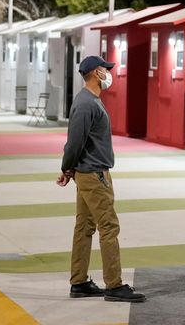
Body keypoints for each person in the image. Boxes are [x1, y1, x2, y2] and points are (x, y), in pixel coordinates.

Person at [57, 55, 146, 303]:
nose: (109, 74)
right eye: (106, 69)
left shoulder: (88, 101)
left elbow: (77, 143)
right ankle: (114, 285)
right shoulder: (88, 104)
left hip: (86, 173)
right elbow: (75, 142)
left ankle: (79, 281)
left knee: (84, 228)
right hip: (94, 174)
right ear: (97, 72)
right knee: (109, 227)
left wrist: (69, 169)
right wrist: (66, 168)